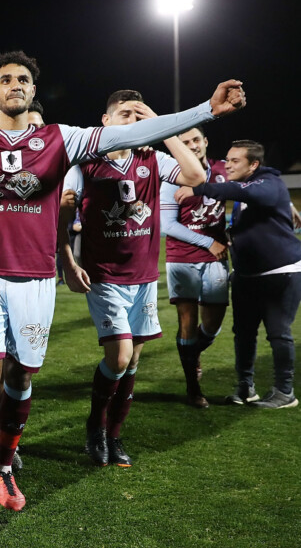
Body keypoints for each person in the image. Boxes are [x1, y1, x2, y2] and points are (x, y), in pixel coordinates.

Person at [0, 50, 244, 542]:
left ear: (33, 89)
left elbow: (134, 136)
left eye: (24, 78)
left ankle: (6, 465)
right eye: (5, 79)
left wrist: (205, 111)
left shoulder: (61, 138)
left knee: (22, 375)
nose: (15, 84)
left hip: (34, 280)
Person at [58, 90, 207, 468]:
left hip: (143, 277)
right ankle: (95, 425)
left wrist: (161, 125)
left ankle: (114, 435)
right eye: (124, 114)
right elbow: (63, 208)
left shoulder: (151, 158)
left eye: (138, 117)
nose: (132, 122)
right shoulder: (85, 161)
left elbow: (195, 175)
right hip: (104, 275)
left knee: (132, 362)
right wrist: (68, 261)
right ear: (105, 122)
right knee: (120, 355)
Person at [174, 141, 301, 409]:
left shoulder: (269, 182)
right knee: (243, 333)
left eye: (235, 161)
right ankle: (245, 387)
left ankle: (284, 392)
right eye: (227, 160)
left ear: (253, 165)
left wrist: (197, 189)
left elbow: (253, 193)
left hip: (279, 273)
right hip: (246, 275)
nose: (228, 165)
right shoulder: (250, 189)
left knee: (278, 333)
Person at [160, 126, 229, 408]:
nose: (192, 145)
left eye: (196, 140)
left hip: (216, 257)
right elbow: (167, 225)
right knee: (186, 321)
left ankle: (191, 353)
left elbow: (253, 185)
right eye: (185, 142)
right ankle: (193, 386)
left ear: (205, 141)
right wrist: (207, 242)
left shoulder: (223, 169)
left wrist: (286, 202)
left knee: (213, 324)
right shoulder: (172, 176)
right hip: (182, 257)